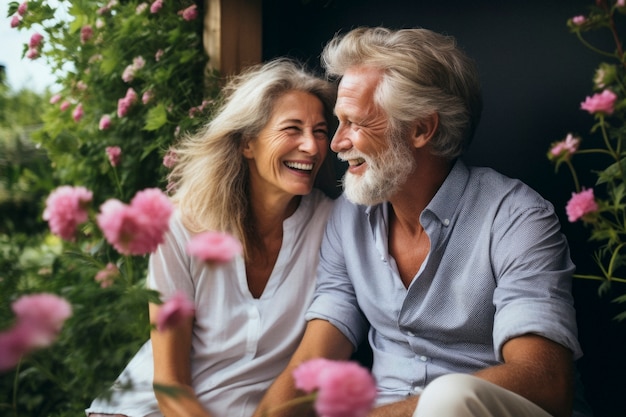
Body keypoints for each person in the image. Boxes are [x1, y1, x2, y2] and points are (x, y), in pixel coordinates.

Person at [253, 27, 589, 417]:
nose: (336, 143)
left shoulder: (516, 217)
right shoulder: (347, 218)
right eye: (338, 122)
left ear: (421, 129)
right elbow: (313, 359)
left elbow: (546, 382)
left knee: (448, 398)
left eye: (355, 123)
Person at [85, 58, 338, 417]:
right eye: (292, 129)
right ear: (247, 143)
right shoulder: (180, 225)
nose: (311, 147)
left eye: (321, 131)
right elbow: (169, 384)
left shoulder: (332, 225)